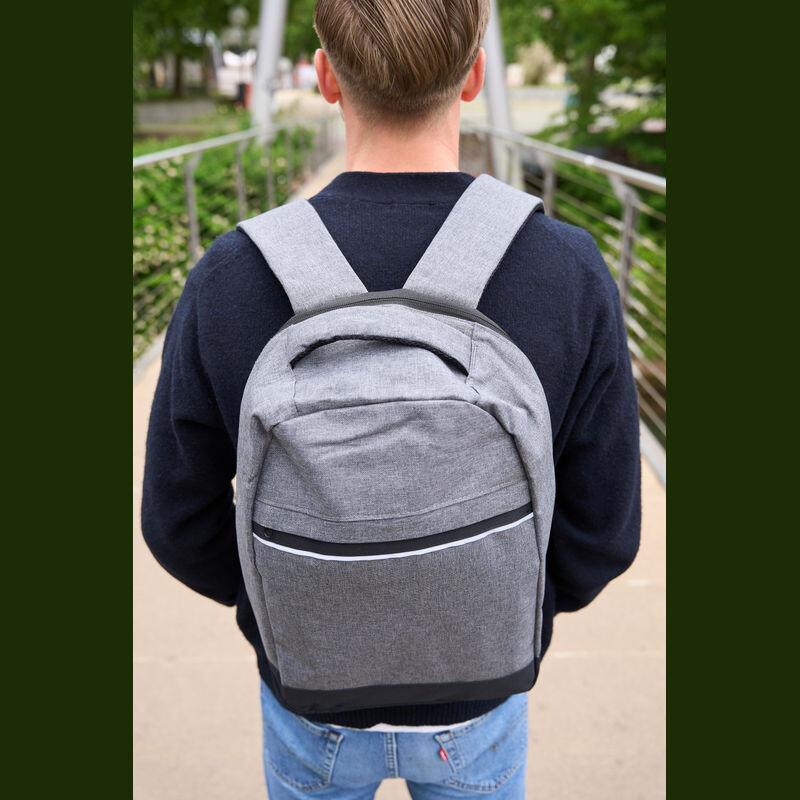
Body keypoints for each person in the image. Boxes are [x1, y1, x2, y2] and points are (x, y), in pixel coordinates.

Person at [141, 1, 642, 796]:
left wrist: (287, 605)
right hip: (482, 695)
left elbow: (176, 521)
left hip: (309, 695)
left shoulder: (232, 276)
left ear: (325, 76)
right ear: (474, 76)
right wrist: (508, 604)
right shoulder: (567, 268)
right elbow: (605, 528)